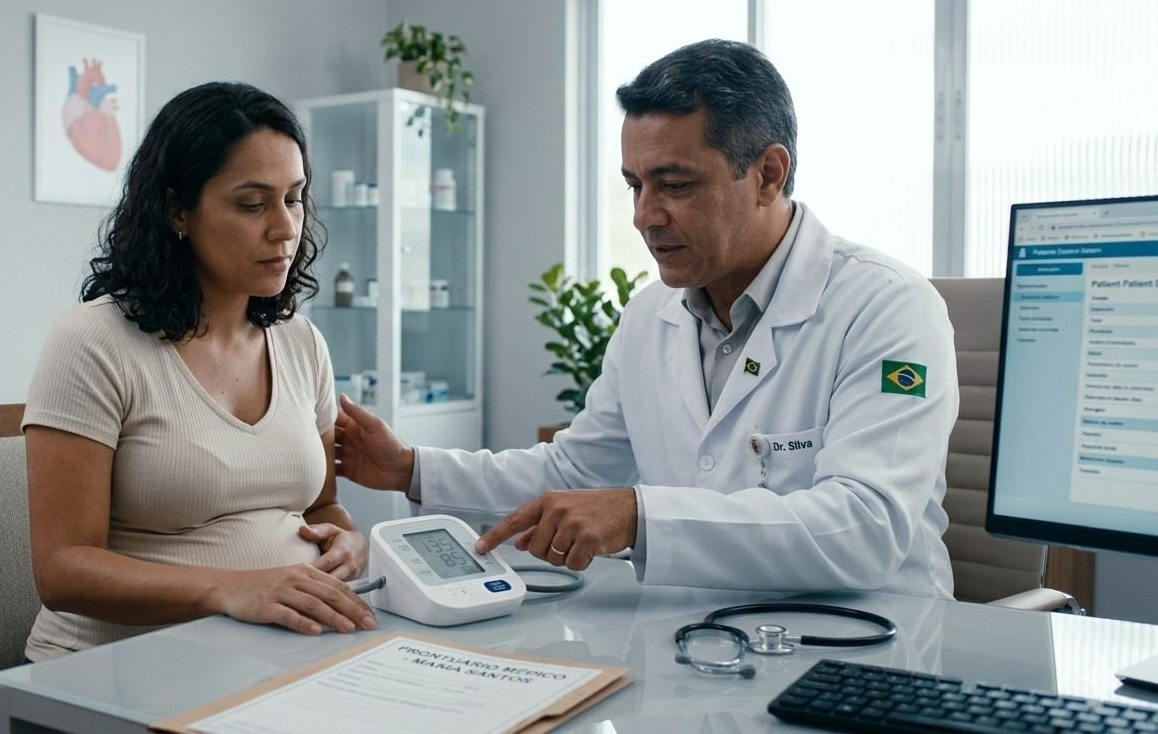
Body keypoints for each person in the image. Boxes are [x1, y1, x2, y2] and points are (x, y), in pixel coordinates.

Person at [336, 39, 959, 599]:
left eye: (675, 185)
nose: (644, 215)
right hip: (702, 637)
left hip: (873, 645)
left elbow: (866, 527)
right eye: (635, 185)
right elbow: (574, 473)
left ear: (768, 174)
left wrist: (639, 518)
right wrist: (411, 468)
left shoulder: (886, 307)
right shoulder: (650, 315)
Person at [22, 81, 377, 662]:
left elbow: (319, 507)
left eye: (294, 198)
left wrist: (348, 540)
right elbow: (62, 570)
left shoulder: (301, 343)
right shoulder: (93, 341)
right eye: (252, 203)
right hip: (122, 667)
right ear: (176, 209)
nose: (286, 228)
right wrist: (231, 589)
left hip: (276, 656)